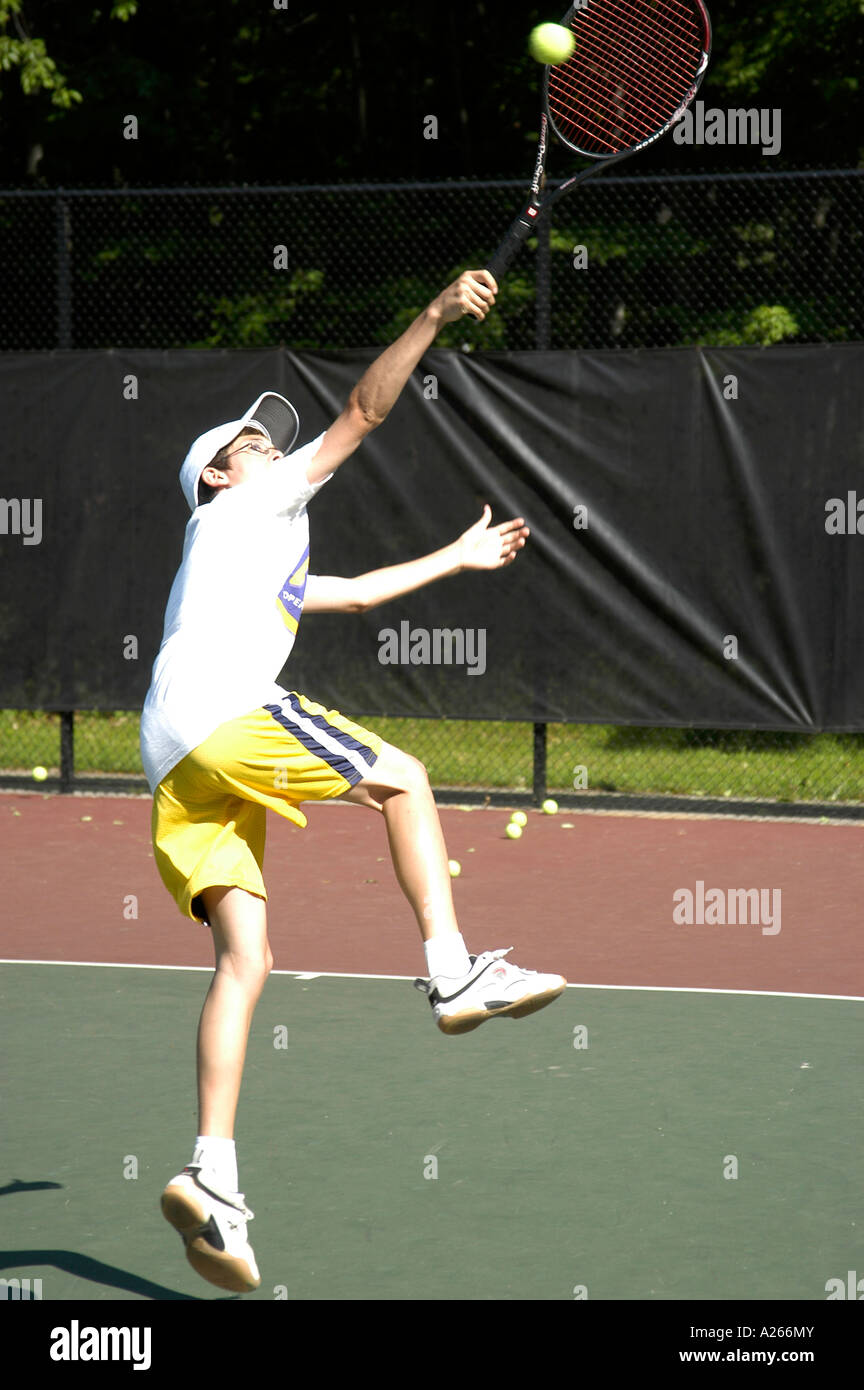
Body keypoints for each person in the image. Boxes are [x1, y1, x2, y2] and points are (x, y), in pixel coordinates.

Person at [140, 269, 567, 1294]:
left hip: (170, 754)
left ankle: (214, 1178)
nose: (269, 446)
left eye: (267, 438)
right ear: (218, 479)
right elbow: (365, 411)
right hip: (221, 713)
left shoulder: (250, 550)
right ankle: (453, 970)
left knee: (247, 960)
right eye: (250, 443)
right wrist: (432, 314)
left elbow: (362, 591)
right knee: (408, 780)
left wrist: (455, 556)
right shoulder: (246, 510)